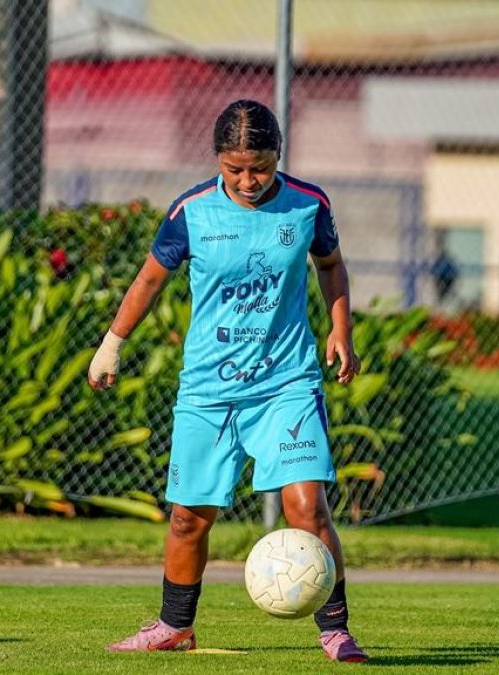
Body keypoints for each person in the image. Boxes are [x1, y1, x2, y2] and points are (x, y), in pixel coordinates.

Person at [87, 99, 368, 663]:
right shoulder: (191, 212)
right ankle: (174, 626)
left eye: (259, 166)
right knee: (190, 517)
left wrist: (341, 329)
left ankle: (335, 630)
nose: (246, 179)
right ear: (218, 160)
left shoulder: (307, 204)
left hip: (286, 383)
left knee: (308, 508)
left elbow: (331, 264)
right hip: (208, 391)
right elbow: (147, 281)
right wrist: (110, 345)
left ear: (277, 156)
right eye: (233, 167)